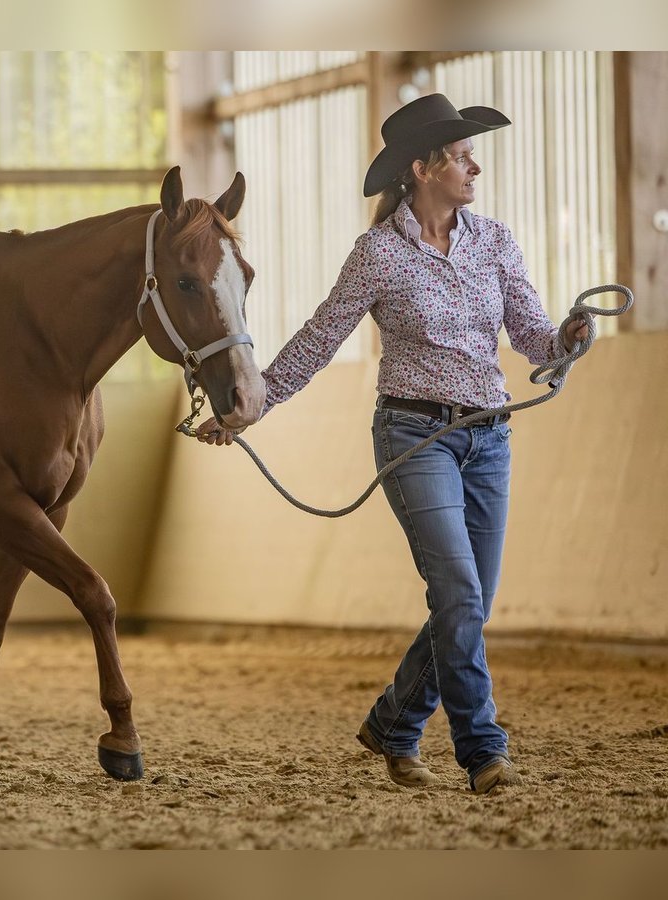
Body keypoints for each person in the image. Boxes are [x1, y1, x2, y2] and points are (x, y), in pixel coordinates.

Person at [197, 93, 590, 795]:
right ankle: (483, 752)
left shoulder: (495, 240)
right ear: (423, 168)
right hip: (415, 439)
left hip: (489, 439)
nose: (476, 167)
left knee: (462, 604)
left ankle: (394, 726)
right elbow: (319, 338)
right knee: (462, 594)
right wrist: (248, 407)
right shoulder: (378, 254)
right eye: (463, 156)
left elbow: (532, 335)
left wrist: (567, 337)